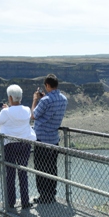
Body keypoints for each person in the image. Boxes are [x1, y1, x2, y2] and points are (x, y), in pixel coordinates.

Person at [0, 84, 36, 210]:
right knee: (23, 172)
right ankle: (25, 202)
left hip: (10, 146)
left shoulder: (5, 112)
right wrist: (8, 109)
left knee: (10, 173)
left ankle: (11, 203)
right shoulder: (27, 109)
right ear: (20, 97)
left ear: (10, 98)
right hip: (25, 144)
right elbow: (17, 115)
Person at [31, 74, 68, 204]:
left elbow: (34, 115)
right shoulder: (63, 99)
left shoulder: (45, 100)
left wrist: (35, 99)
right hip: (54, 139)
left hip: (41, 139)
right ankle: (51, 195)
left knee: (41, 168)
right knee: (52, 168)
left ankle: (43, 196)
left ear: (47, 85)